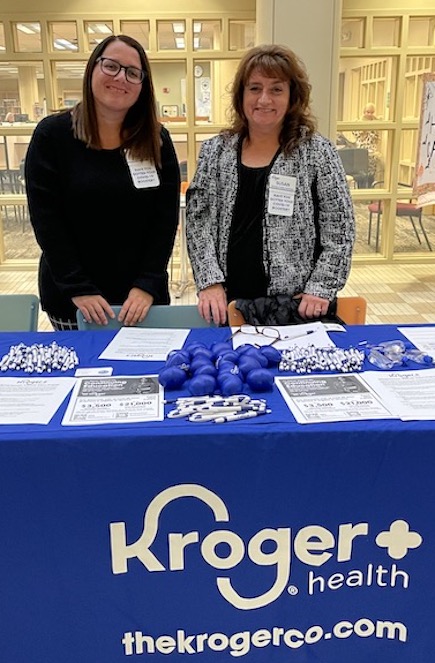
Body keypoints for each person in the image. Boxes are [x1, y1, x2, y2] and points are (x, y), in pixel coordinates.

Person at [186, 44, 355, 326]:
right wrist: (209, 281)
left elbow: (339, 227)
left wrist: (322, 286)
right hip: (227, 304)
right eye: (254, 88)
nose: (264, 99)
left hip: (296, 308)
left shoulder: (316, 152)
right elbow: (198, 221)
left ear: (292, 97)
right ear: (241, 95)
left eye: (276, 89)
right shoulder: (215, 152)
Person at [25, 34, 180, 330]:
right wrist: (77, 287)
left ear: (142, 86)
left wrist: (147, 283)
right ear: (92, 69)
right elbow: (47, 221)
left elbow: (165, 220)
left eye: (133, 73)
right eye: (111, 66)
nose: (121, 78)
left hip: (141, 302)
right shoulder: (52, 136)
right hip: (75, 301)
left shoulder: (156, 140)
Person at [352, 102, 383, 187]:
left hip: (372, 152)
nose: (370, 114)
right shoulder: (358, 122)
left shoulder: (376, 123)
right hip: (361, 151)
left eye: (372, 112)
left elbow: (376, 137)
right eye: (368, 112)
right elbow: (357, 134)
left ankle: (370, 192)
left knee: (371, 174)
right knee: (361, 174)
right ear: (364, 112)